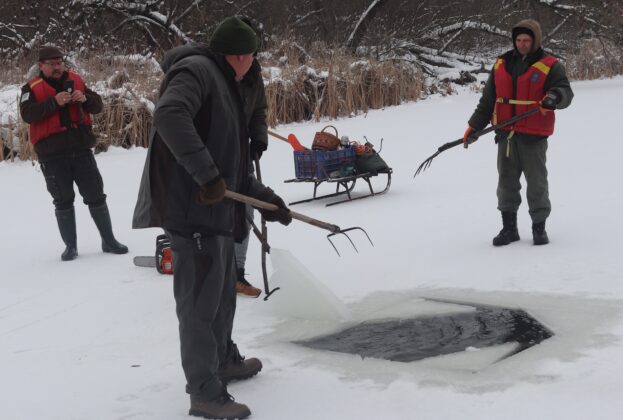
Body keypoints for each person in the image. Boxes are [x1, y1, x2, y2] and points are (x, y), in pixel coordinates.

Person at [132, 17, 292, 420]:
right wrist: (206, 175)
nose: (254, 63)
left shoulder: (228, 82)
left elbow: (229, 165)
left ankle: (221, 361)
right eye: (252, 55)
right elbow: (169, 115)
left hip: (215, 210)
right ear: (239, 55)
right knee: (200, 306)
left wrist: (266, 201)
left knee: (221, 295)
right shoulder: (197, 71)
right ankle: (203, 391)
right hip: (192, 211)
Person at [464, 19, 573, 246]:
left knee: (537, 184)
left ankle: (539, 228)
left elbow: (565, 91)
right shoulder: (501, 64)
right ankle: (509, 229)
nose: (522, 44)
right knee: (506, 184)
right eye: (519, 40)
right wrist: (474, 127)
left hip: (533, 136)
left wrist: (554, 97)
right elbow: (488, 100)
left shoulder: (550, 65)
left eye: (526, 40)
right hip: (506, 134)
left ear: (535, 41)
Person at [20, 46, 128, 261]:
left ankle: (109, 241)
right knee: (63, 200)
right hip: (52, 156)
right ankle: (70, 247)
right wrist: (54, 102)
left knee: (96, 196)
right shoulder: (29, 89)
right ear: (41, 66)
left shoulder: (76, 81)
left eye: (59, 63)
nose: (57, 67)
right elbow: (27, 114)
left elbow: (98, 106)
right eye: (52, 64)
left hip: (81, 151)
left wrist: (85, 99)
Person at [234, 17, 268, 298]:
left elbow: (258, 110)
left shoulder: (254, 75)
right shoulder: (215, 74)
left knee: (246, 209)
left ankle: (237, 273)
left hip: (241, 151)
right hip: (214, 156)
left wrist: (258, 140)